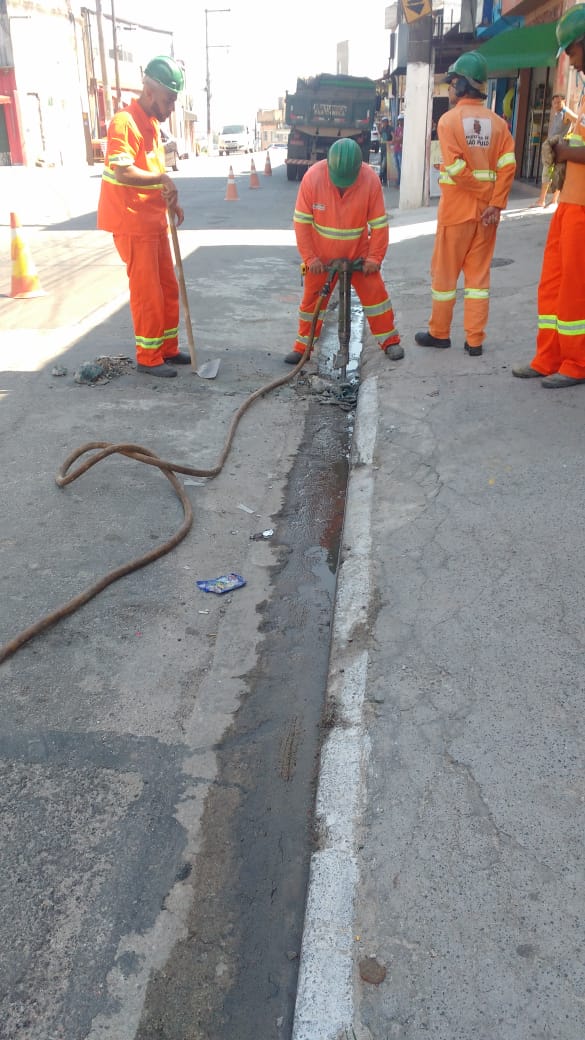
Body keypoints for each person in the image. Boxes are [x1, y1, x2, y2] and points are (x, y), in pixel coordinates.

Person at [415, 50, 516, 357]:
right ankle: (474, 341)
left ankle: (440, 333)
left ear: (462, 85)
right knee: (478, 279)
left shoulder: (448, 121)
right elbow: (508, 166)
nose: (449, 88)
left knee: (444, 276)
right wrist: (494, 203)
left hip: (457, 212)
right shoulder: (499, 124)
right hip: (487, 216)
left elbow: (457, 169)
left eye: (452, 82)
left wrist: (482, 196)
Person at [97, 55, 189, 378]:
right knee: (148, 292)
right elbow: (122, 171)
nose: (172, 107)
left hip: (153, 222)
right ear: (151, 92)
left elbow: (154, 171)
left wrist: (170, 202)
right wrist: (161, 180)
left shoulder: (150, 124)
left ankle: (167, 348)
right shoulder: (125, 123)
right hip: (132, 223)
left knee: (167, 286)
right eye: (170, 100)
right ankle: (149, 357)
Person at [513, 5, 585, 388]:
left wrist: (563, 151)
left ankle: (577, 363)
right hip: (571, 203)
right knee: (554, 283)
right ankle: (549, 356)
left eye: (572, 52)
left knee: (575, 288)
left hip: (583, 207)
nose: (571, 63)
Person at [284, 137, 404, 365]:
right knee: (311, 303)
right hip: (321, 256)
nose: (343, 185)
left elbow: (379, 225)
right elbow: (301, 223)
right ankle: (303, 347)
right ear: (328, 165)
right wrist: (311, 258)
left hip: (358, 254)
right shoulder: (312, 178)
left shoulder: (369, 180)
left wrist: (374, 259)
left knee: (376, 296)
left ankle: (389, 341)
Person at [531, 93, 574, 208]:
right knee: (547, 172)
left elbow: (578, 120)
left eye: (559, 102)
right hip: (552, 147)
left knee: (557, 173)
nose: (556, 104)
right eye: (554, 103)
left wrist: (571, 135)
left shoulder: (566, 112)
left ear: (564, 101)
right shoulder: (557, 114)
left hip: (560, 147)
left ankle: (552, 200)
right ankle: (542, 200)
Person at [378, 116, 393, 186]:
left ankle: (380, 178)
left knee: (384, 165)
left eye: (384, 122)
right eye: (382, 122)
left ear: (387, 122)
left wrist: (390, 142)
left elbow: (393, 137)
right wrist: (379, 128)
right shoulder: (383, 129)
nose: (383, 123)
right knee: (383, 164)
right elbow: (381, 135)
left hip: (388, 149)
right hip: (383, 149)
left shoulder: (390, 128)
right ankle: (384, 180)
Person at [393, 113, 404, 186]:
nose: (400, 121)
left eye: (401, 120)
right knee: (397, 167)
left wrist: (396, 138)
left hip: (400, 150)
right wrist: (397, 139)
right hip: (396, 149)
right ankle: (398, 182)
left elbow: (401, 139)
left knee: (401, 167)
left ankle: (400, 182)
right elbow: (394, 139)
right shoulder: (397, 129)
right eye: (399, 120)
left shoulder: (404, 128)